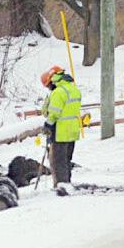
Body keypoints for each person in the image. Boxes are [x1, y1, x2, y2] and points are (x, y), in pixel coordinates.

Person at [40, 65, 82, 194]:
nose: (49, 88)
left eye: (48, 85)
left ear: (52, 80)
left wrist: (48, 125)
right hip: (72, 131)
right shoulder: (73, 89)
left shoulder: (59, 92)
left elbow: (54, 113)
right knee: (66, 160)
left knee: (58, 161)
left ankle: (61, 187)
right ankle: (67, 183)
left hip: (60, 131)